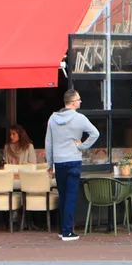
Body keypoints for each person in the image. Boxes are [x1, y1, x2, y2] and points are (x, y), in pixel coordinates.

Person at [45, 89, 100, 241]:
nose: (80, 102)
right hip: (73, 159)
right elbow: (95, 133)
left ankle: (63, 229)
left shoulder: (53, 118)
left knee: (63, 196)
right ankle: (68, 232)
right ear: (73, 102)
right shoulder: (79, 118)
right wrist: (82, 146)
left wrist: (50, 163)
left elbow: (48, 143)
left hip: (59, 161)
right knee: (71, 196)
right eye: (79, 100)